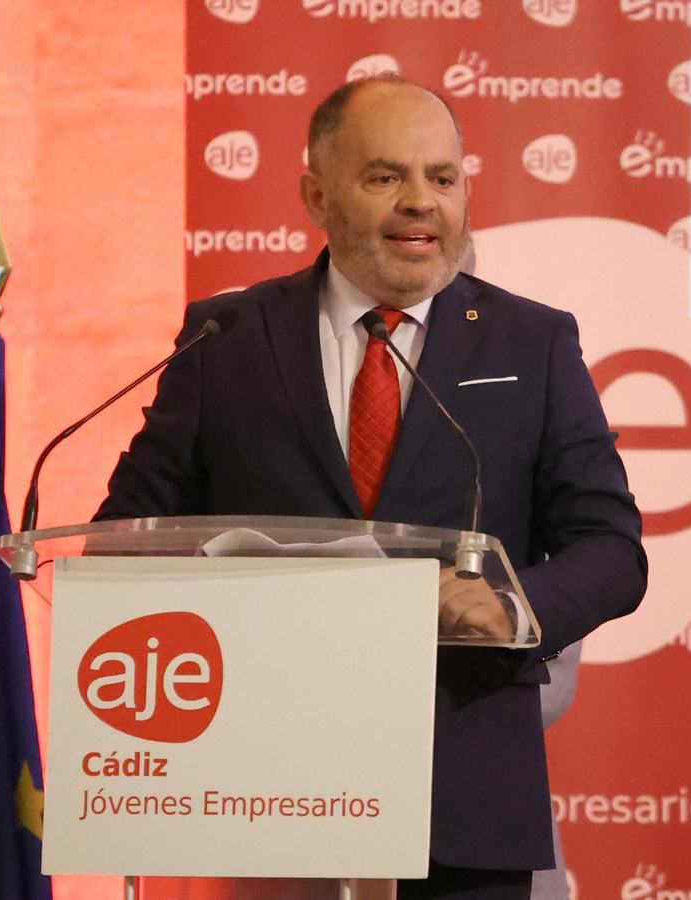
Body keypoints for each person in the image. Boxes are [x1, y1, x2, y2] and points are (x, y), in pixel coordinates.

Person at [95, 74, 646, 900]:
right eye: (386, 177)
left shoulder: (531, 343)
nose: (421, 203)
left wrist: (511, 605)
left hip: (462, 800)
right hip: (268, 796)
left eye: (443, 178)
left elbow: (610, 549)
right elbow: (125, 539)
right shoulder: (229, 337)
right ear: (317, 193)